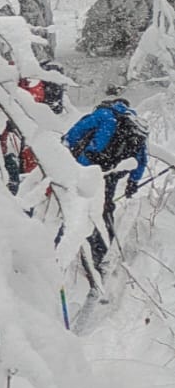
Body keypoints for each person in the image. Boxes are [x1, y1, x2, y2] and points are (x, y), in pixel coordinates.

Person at [64, 90, 147, 276]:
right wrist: (133, 182)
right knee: (103, 208)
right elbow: (142, 158)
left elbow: (75, 133)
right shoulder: (135, 124)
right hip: (113, 171)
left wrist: (63, 150)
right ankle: (101, 253)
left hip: (88, 167)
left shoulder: (103, 114)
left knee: (75, 206)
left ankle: (67, 250)